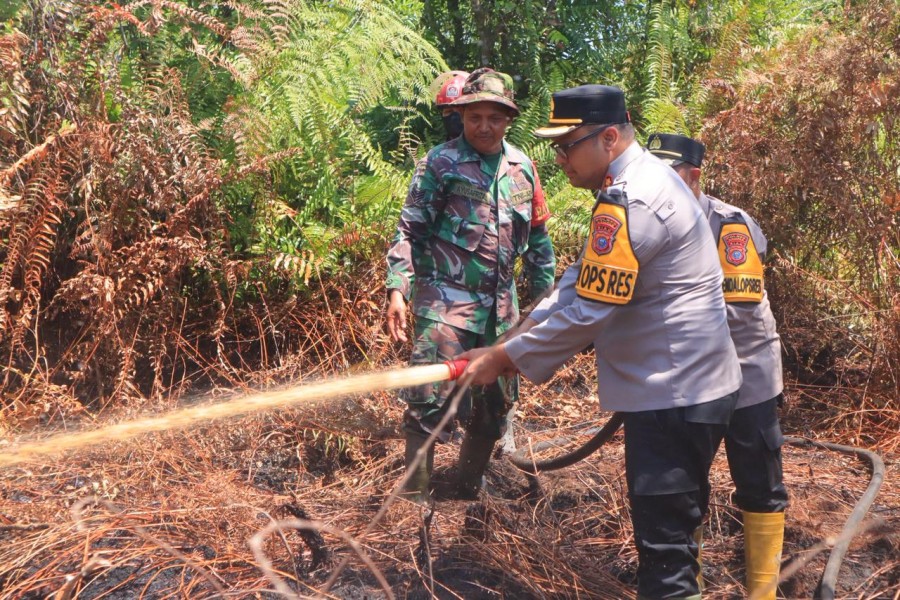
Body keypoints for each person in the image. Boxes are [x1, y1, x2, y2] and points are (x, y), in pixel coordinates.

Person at [459, 85, 742, 600]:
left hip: (674, 398)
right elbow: (582, 280)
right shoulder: (639, 183)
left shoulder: (633, 199)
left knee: (666, 563)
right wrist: (517, 338)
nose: (560, 158)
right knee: (677, 540)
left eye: (568, 145)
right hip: (685, 390)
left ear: (609, 137)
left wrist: (507, 358)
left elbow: (594, 309)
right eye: (556, 148)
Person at [385, 68, 556, 503]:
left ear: (508, 119)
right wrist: (397, 290)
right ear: (461, 116)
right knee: (427, 402)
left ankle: (466, 488)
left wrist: (546, 305)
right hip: (445, 305)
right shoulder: (439, 163)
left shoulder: (523, 169)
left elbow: (538, 240)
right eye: (474, 116)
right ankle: (414, 497)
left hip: (503, 314)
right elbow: (410, 230)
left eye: (494, 118)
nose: (484, 126)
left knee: (495, 408)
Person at [647, 132, 788, 600]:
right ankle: (693, 585)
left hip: (747, 374)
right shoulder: (650, 220)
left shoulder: (728, 224)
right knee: (687, 487)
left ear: (694, 176)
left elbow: (738, 308)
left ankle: (764, 592)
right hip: (692, 379)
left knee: (758, 482)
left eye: (673, 175)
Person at [433, 70, 469, 141]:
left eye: (461, 111)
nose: (454, 117)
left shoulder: (488, 149)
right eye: (449, 111)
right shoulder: (438, 152)